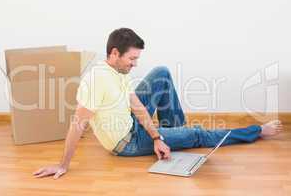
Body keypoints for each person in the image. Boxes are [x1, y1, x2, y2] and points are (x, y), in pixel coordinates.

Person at [33, 28, 283, 179]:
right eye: (132, 58)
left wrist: (156, 137)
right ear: (114, 53)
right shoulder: (96, 80)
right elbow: (78, 124)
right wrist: (63, 164)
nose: (135, 64)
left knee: (161, 73)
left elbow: (137, 106)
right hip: (126, 142)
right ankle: (256, 131)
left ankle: (176, 133)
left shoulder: (116, 72)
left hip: (134, 125)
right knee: (197, 134)